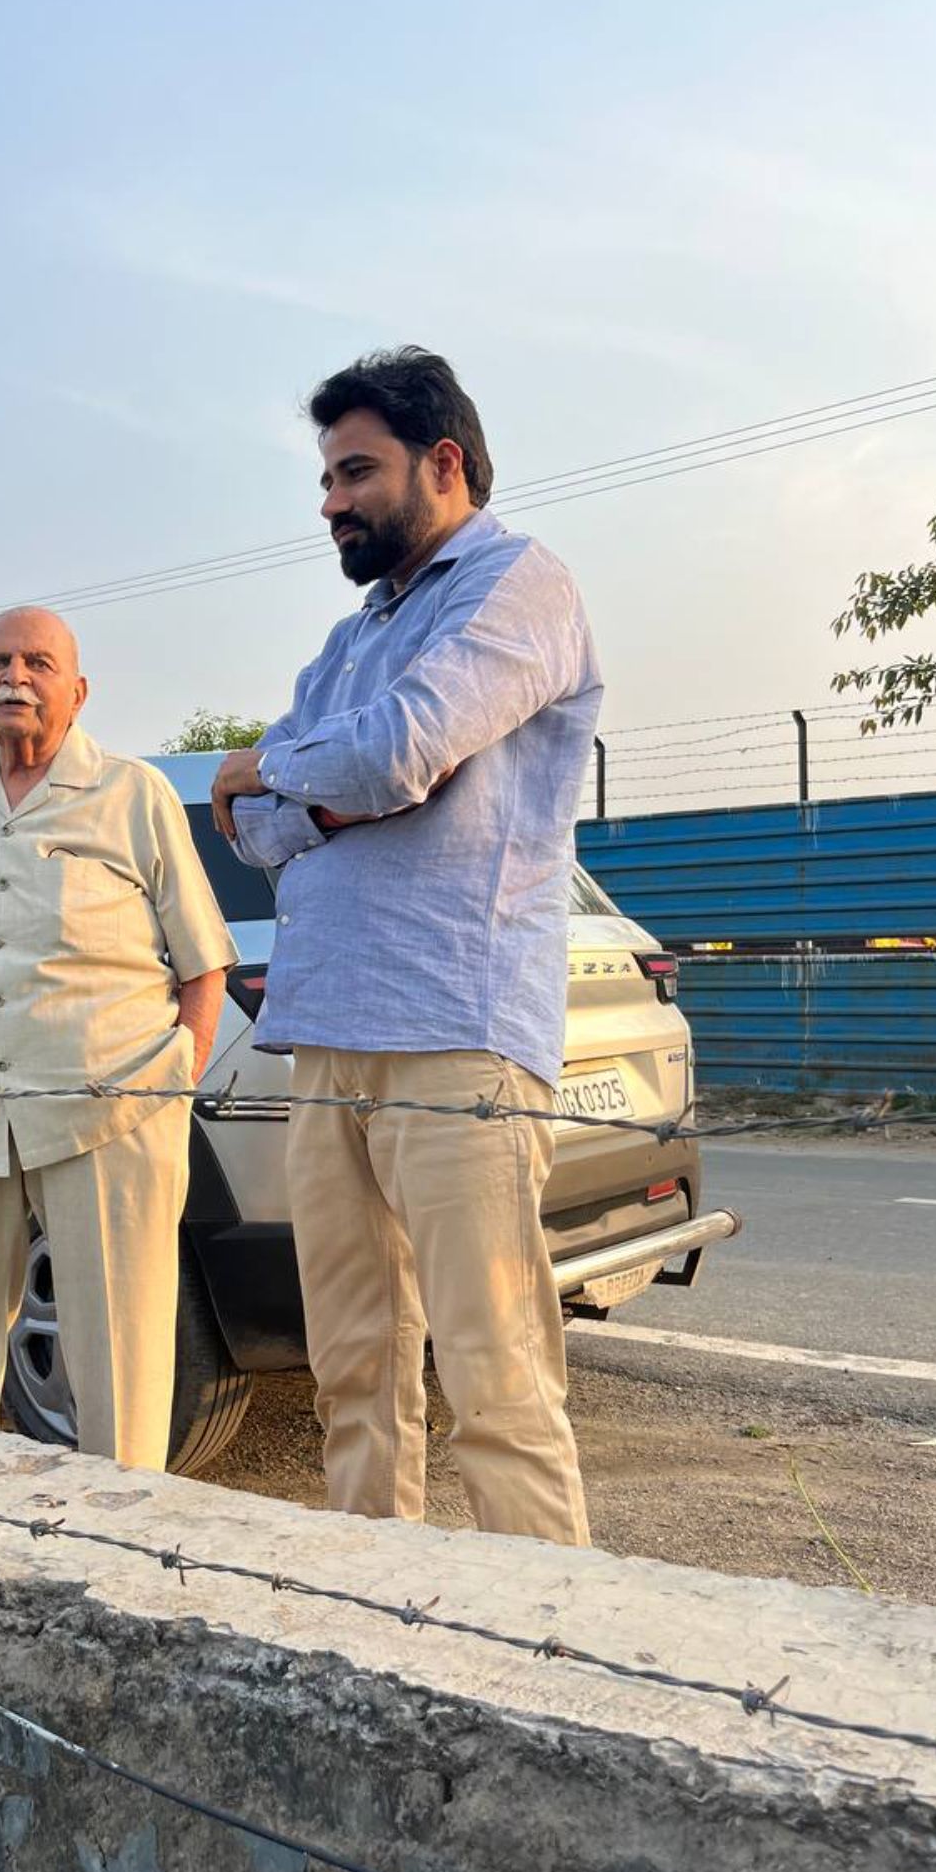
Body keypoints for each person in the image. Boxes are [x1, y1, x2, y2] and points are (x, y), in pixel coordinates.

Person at [211, 348, 601, 1544]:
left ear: (443, 463)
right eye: (327, 478)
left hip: (453, 1032)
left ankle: (550, 1639)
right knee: (354, 1374)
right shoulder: (349, 641)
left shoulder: (517, 585)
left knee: (495, 1382)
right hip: (329, 1033)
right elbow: (255, 830)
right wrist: (324, 794)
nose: (331, 501)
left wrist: (283, 773)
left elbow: (395, 753)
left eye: (356, 472)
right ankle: (375, 1616)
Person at [0, 605, 235, 1471]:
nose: (15, 677)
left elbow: (204, 966)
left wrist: (171, 1087)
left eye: (38, 662)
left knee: (120, 1350)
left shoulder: (133, 793)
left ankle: (121, 1525)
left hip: (107, 1112)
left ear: (79, 690)